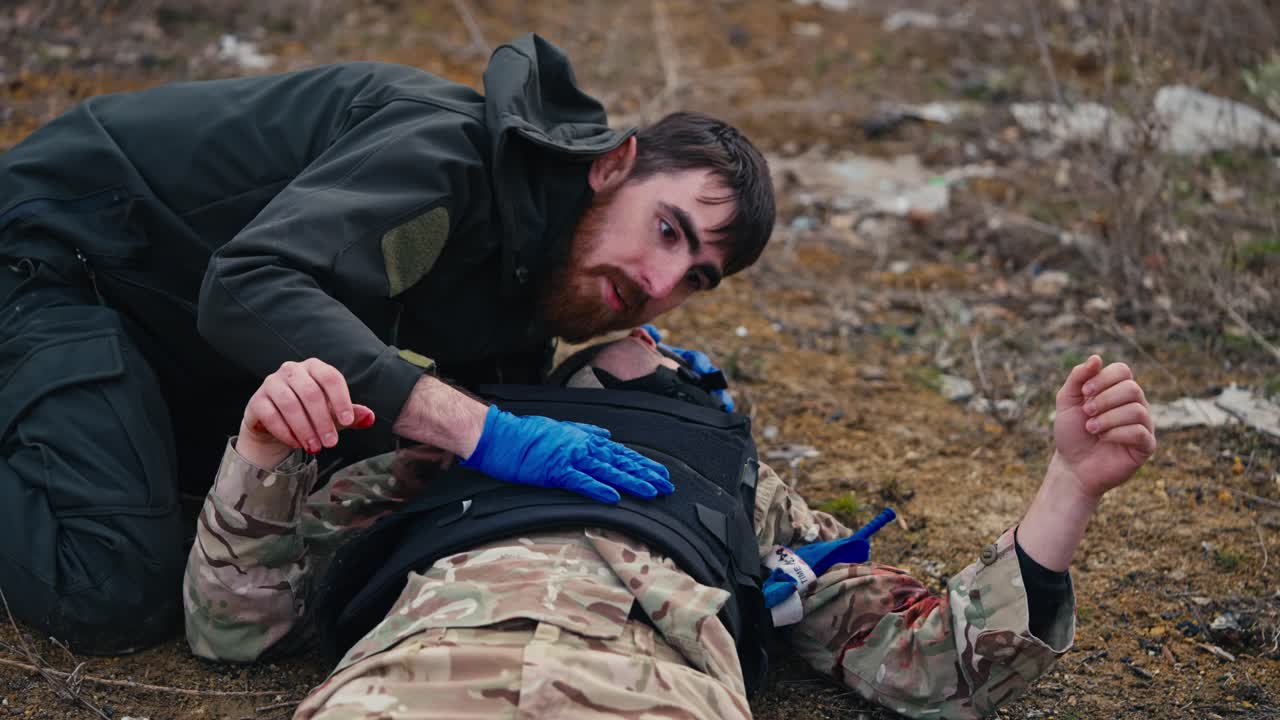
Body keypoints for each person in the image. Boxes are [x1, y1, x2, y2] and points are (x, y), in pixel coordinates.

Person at [0, 33, 774, 653]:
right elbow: (247, 286)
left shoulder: (527, 301)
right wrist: (478, 426)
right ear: (613, 166)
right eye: (668, 229)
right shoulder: (448, 153)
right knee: (106, 585)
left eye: (695, 277)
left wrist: (716, 574)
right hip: (57, 258)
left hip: (161, 339)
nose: (659, 278)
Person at [184, 328, 1157, 719]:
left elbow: (935, 664)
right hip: (411, 691)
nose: (647, 334)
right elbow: (238, 624)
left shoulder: (751, 500)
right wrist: (264, 450)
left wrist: (1068, 487)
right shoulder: (434, 459)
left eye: (670, 347)